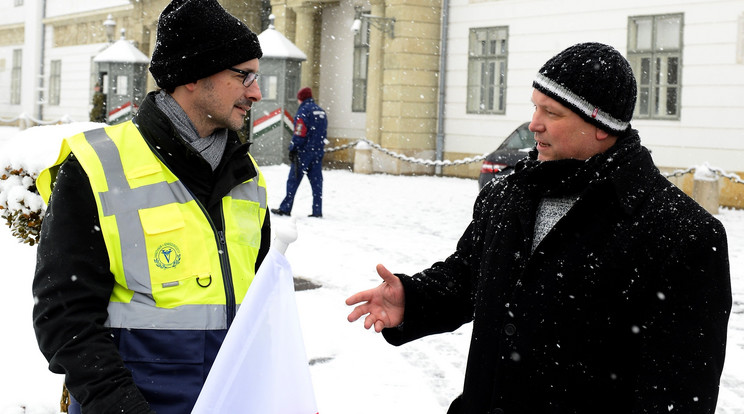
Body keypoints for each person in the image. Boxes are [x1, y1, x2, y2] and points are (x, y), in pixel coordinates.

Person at [346, 42, 732, 413]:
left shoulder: (683, 235)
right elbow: (466, 277)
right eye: (535, 108)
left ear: (601, 124)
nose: (534, 124)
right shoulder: (508, 194)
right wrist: (413, 300)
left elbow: (677, 395)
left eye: (552, 113)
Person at [32, 1, 269, 413]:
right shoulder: (95, 167)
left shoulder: (247, 178)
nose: (256, 92)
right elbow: (65, 318)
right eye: (243, 75)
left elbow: (261, 311)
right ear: (193, 76)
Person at [271, 87, 328, 218]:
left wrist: (293, 148)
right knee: (317, 183)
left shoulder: (303, 111)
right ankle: (317, 211)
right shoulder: (321, 112)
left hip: (303, 153)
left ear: (301, 98)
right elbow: (323, 133)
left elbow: (299, 133)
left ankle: (285, 208)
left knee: (293, 181)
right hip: (317, 152)